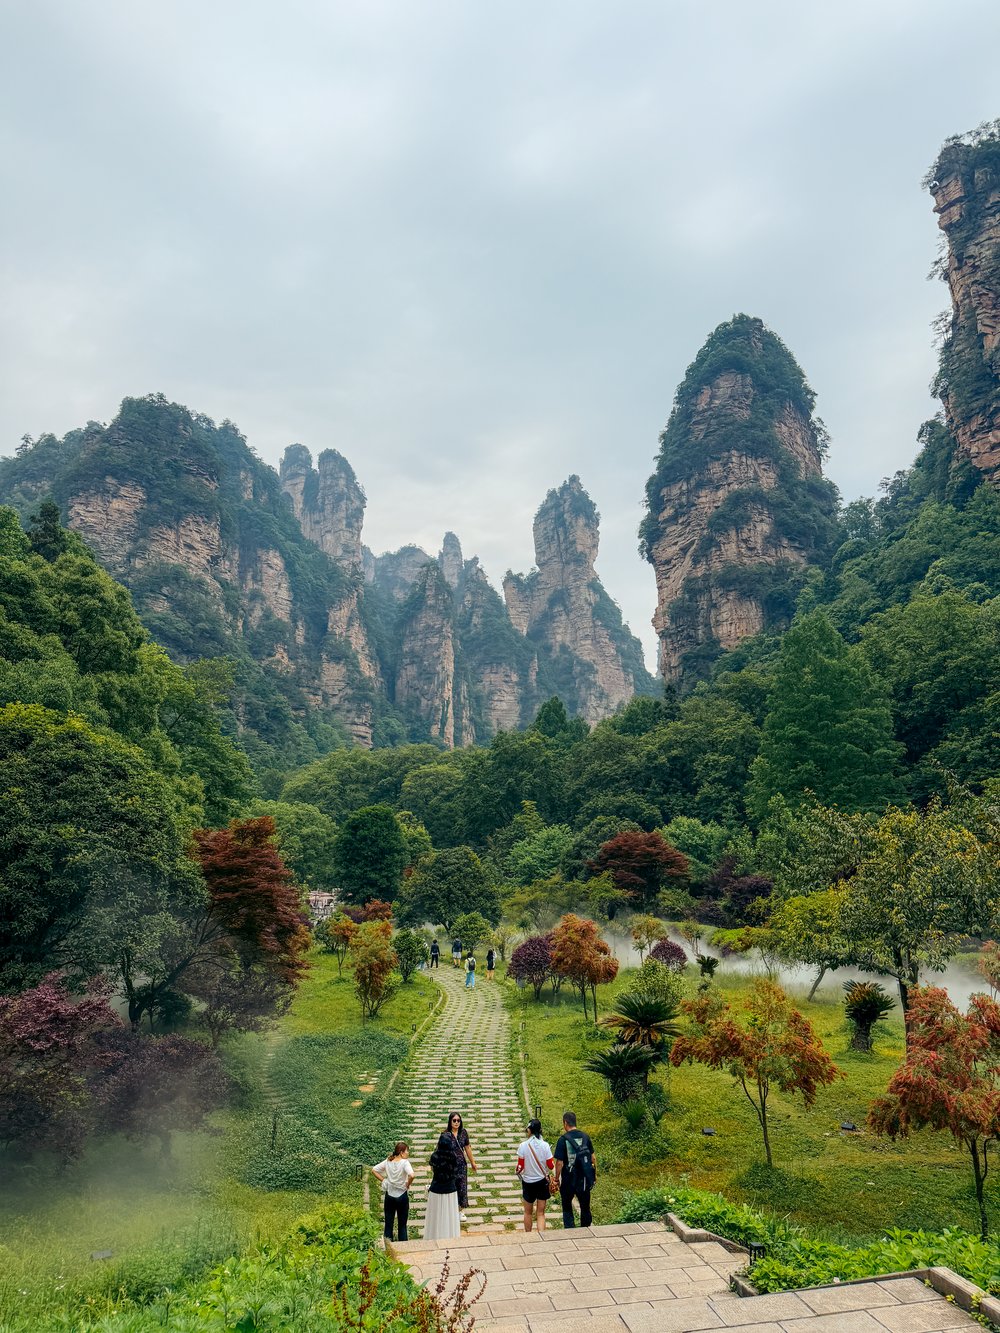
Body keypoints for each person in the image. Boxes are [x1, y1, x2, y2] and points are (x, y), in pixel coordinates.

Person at [553, 1110, 597, 1229]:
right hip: (583, 1179)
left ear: (565, 1123)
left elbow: (559, 1163)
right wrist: (594, 1176)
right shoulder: (585, 1137)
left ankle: (570, 1230)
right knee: (585, 1206)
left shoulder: (563, 1140)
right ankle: (586, 1229)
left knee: (567, 1206)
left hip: (568, 1179)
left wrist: (556, 1179)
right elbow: (593, 1158)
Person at [516, 1118, 554, 1233]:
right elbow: (550, 1165)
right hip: (542, 1182)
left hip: (528, 1182)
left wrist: (518, 1170)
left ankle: (528, 1235)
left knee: (528, 1212)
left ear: (529, 1131)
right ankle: (541, 1236)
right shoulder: (545, 1146)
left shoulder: (523, 1146)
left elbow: (520, 1167)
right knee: (541, 1213)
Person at [371, 1141, 414, 1242]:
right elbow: (412, 1175)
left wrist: (384, 1180)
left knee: (388, 1223)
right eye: (407, 1151)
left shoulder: (388, 1161)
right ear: (401, 1152)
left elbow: (374, 1170)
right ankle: (403, 1247)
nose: (408, 1153)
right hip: (402, 1195)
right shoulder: (405, 1163)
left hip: (389, 1195)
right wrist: (407, 1184)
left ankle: (388, 1247)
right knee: (402, 1225)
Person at [424, 1134, 461, 1241]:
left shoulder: (434, 1156)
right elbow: (456, 1172)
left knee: (435, 1216)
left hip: (436, 1188)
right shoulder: (454, 1156)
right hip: (450, 1189)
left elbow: (433, 1170)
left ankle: (433, 1237)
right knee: (449, 1216)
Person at [446, 1111, 477, 1221]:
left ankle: (461, 1210)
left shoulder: (463, 1132)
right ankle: (450, 1210)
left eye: (458, 1120)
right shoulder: (446, 1134)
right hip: (449, 1167)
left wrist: (472, 1162)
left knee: (462, 1187)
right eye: (454, 1120)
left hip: (461, 1165)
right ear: (450, 1121)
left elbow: (467, 1147)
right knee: (451, 1187)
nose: (456, 1122)